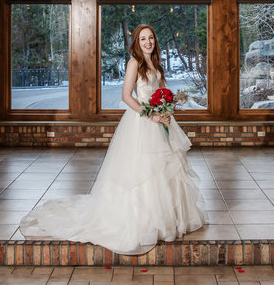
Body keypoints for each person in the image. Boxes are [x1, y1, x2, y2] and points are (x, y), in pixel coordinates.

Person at [19, 24, 207, 255]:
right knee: (144, 173)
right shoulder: (134, 64)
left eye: (150, 38)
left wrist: (166, 110)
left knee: (167, 169)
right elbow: (126, 97)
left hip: (160, 120)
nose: (147, 42)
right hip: (142, 122)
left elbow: (161, 92)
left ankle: (169, 219)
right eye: (143, 39)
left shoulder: (156, 64)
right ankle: (145, 221)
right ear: (136, 43)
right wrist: (151, 115)